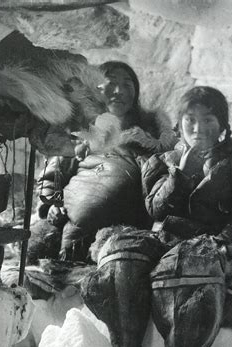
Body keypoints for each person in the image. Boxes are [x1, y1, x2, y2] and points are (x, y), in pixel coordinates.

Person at [82, 86, 232, 347]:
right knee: (120, 252)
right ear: (180, 124)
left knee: (189, 264)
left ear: (223, 124)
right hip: (168, 236)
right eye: (190, 120)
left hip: (218, 240)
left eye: (208, 119)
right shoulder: (164, 159)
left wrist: (220, 245)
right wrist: (182, 172)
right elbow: (155, 208)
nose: (198, 128)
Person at [27, 61, 176, 263]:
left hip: (125, 232)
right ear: (96, 88)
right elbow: (52, 177)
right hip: (73, 226)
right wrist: (53, 204)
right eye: (111, 83)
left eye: (127, 85)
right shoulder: (80, 132)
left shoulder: (153, 139)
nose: (118, 91)